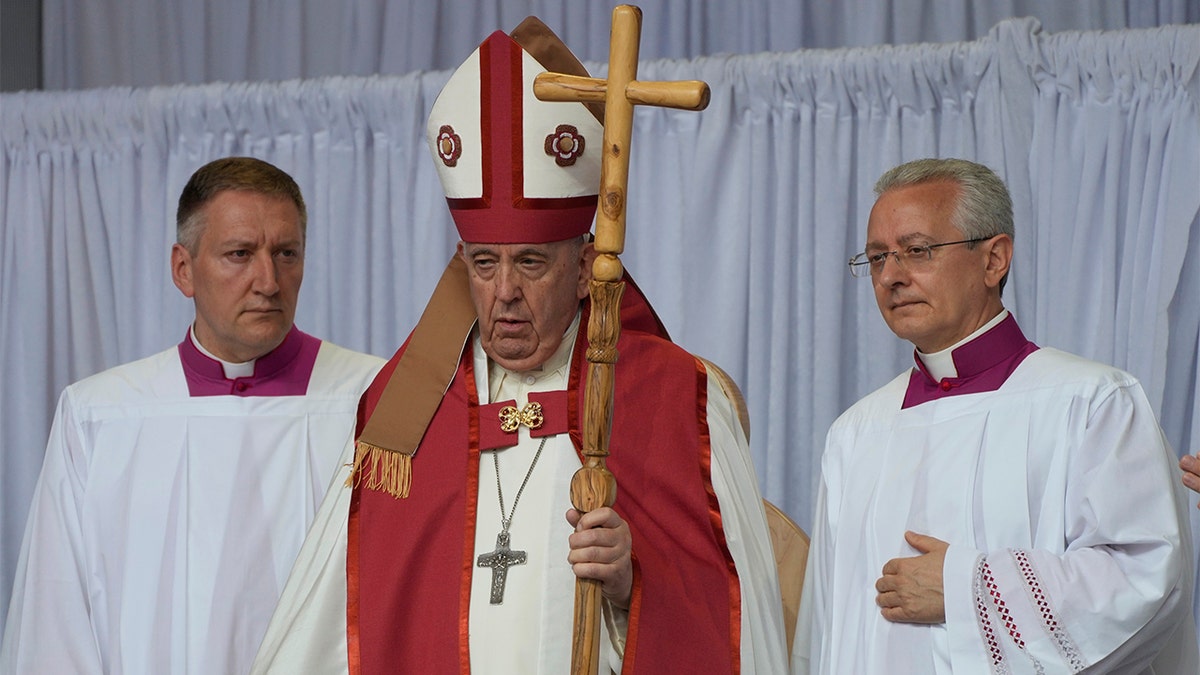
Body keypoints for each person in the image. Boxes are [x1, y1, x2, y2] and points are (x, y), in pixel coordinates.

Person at [251, 18, 788, 675]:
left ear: (587, 260)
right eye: (483, 263)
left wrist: (630, 586)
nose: (504, 291)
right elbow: (333, 625)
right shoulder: (405, 408)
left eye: (531, 262)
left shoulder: (677, 395)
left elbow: (739, 627)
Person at [793, 158, 1197, 673]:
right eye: (876, 259)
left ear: (994, 260)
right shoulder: (856, 431)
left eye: (916, 251)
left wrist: (969, 589)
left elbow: (1145, 582)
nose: (891, 276)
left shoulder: (1091, 401)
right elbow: (826, 628)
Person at [0, 156, 384, 674]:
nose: (268, 280)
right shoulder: (101, 416)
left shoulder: (375, 400)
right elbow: (55, 619)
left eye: (286, 253)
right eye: (240, 254)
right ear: (184, 268)